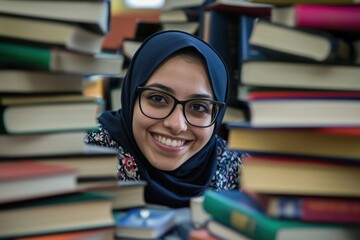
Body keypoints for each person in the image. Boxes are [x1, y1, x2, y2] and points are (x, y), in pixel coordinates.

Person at [85, 30, 247, 208]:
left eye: (198, 107)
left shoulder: (241, 171)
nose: (176, 124)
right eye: (158, 99)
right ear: (132, 96)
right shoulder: (84, 154)